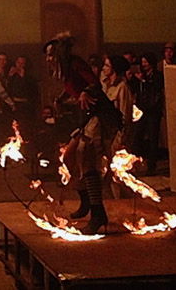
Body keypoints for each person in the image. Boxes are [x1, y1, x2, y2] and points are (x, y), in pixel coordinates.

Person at [46, 34, 122, 234]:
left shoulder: (75, 63)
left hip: (100, 115)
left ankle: (98, 214)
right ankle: (86, 201)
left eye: (50, 55)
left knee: (86, 159)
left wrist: (85, 92)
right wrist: (61, 99)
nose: (48, 59)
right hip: (86, 118)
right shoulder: (63, 71)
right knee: (69, 157)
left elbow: (94, 83)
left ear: (59, 54)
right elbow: (73, 87)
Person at [130, 52, 164, 175]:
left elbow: (157, 88)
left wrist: (144, 81)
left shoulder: (157, 76)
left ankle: (151, 165)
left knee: (153, 139)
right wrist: (133, 79)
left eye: (146, 62)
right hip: (141, 110)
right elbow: (134, 89)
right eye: (142, 62)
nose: (144, 65)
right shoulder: (140, 75)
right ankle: (133, 164)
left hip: (153, 111)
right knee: (136, 137)